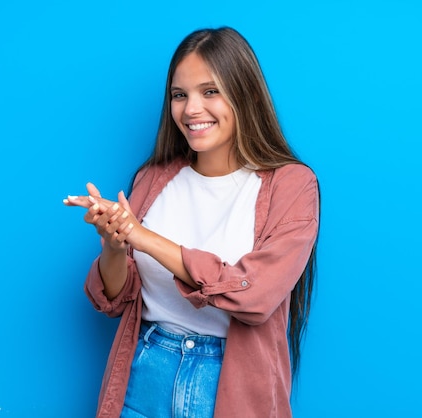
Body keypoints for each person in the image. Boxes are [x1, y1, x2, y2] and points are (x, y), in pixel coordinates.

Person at [64, 26, 320, 418]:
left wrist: (143, 237)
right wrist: (115, 245)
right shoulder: (153, 179)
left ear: (248, 94)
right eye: (180, 95)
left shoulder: (291, 185)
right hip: (145, 375)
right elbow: (116, 299)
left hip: (230, 389)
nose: (191, 109)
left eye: (210, 92)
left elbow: (256, 296)